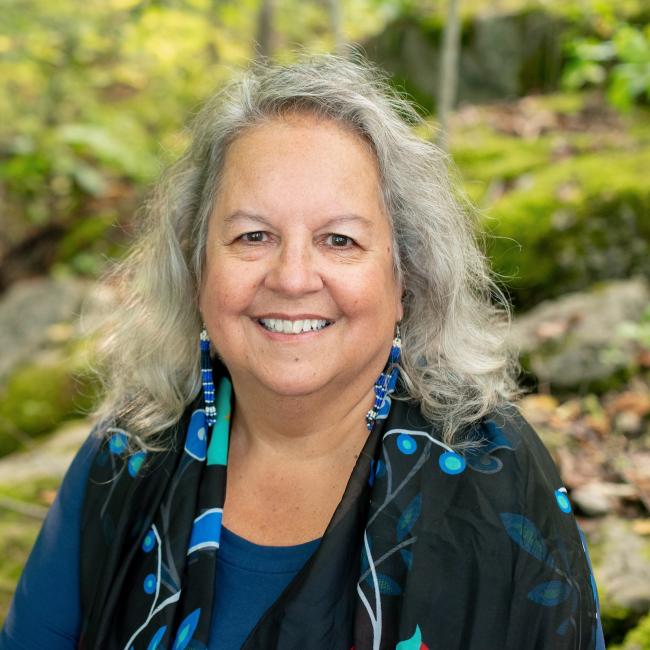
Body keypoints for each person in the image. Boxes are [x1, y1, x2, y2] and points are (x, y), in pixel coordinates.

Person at [0, 54, 605, 650]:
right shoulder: (128, 457)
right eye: (253, 236)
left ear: (404, 280)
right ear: (197, 270)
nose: (292, 278)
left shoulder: (493, 477)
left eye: (339, 239)